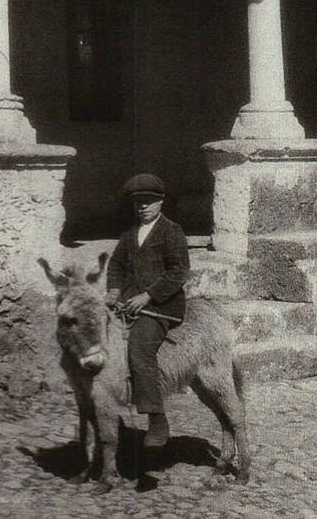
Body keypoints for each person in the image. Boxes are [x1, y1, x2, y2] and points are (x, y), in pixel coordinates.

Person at [105, 173, 190, 447]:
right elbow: (116, 266)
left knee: (140, 346)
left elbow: (179, 272)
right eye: (138, 202)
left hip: (161, 308)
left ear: (161, 202)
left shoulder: (172, 231)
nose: (143, 206)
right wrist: (114, 290)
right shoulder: (129, 235)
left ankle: (156, 419)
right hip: (129, 303)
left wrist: (148, 296)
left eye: (149, 201)